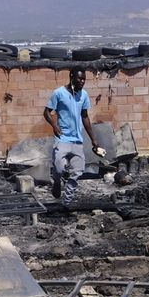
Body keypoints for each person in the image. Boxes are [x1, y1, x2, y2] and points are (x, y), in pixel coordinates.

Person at [43, 68, 105, 206]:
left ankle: (67, 202)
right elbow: (46, 112)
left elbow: (85, 116)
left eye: (84, 79)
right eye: (80, 78)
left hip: (77, 141)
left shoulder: (83, 95)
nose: (82, 81)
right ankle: (57, 182)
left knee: (77, 171)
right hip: (62, 139)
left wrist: (94, 140)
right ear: (71, 77)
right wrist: (54, 125)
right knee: (59, 169)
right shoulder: (59, 93)